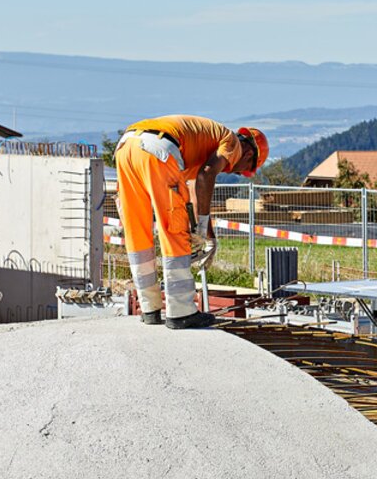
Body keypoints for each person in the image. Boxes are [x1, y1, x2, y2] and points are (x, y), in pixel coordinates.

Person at [115, 115, 268, 329]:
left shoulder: (201, 146)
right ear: (249, 153)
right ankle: (181, 311)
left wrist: (207, 236)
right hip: (158, 150)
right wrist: (201, 228)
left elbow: (198, 191)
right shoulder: (232, 142)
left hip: (126, 147)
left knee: (137, 231)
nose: (234, 171)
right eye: (243, 169)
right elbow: (207, 176)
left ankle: (149, 307)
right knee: (174, 229)